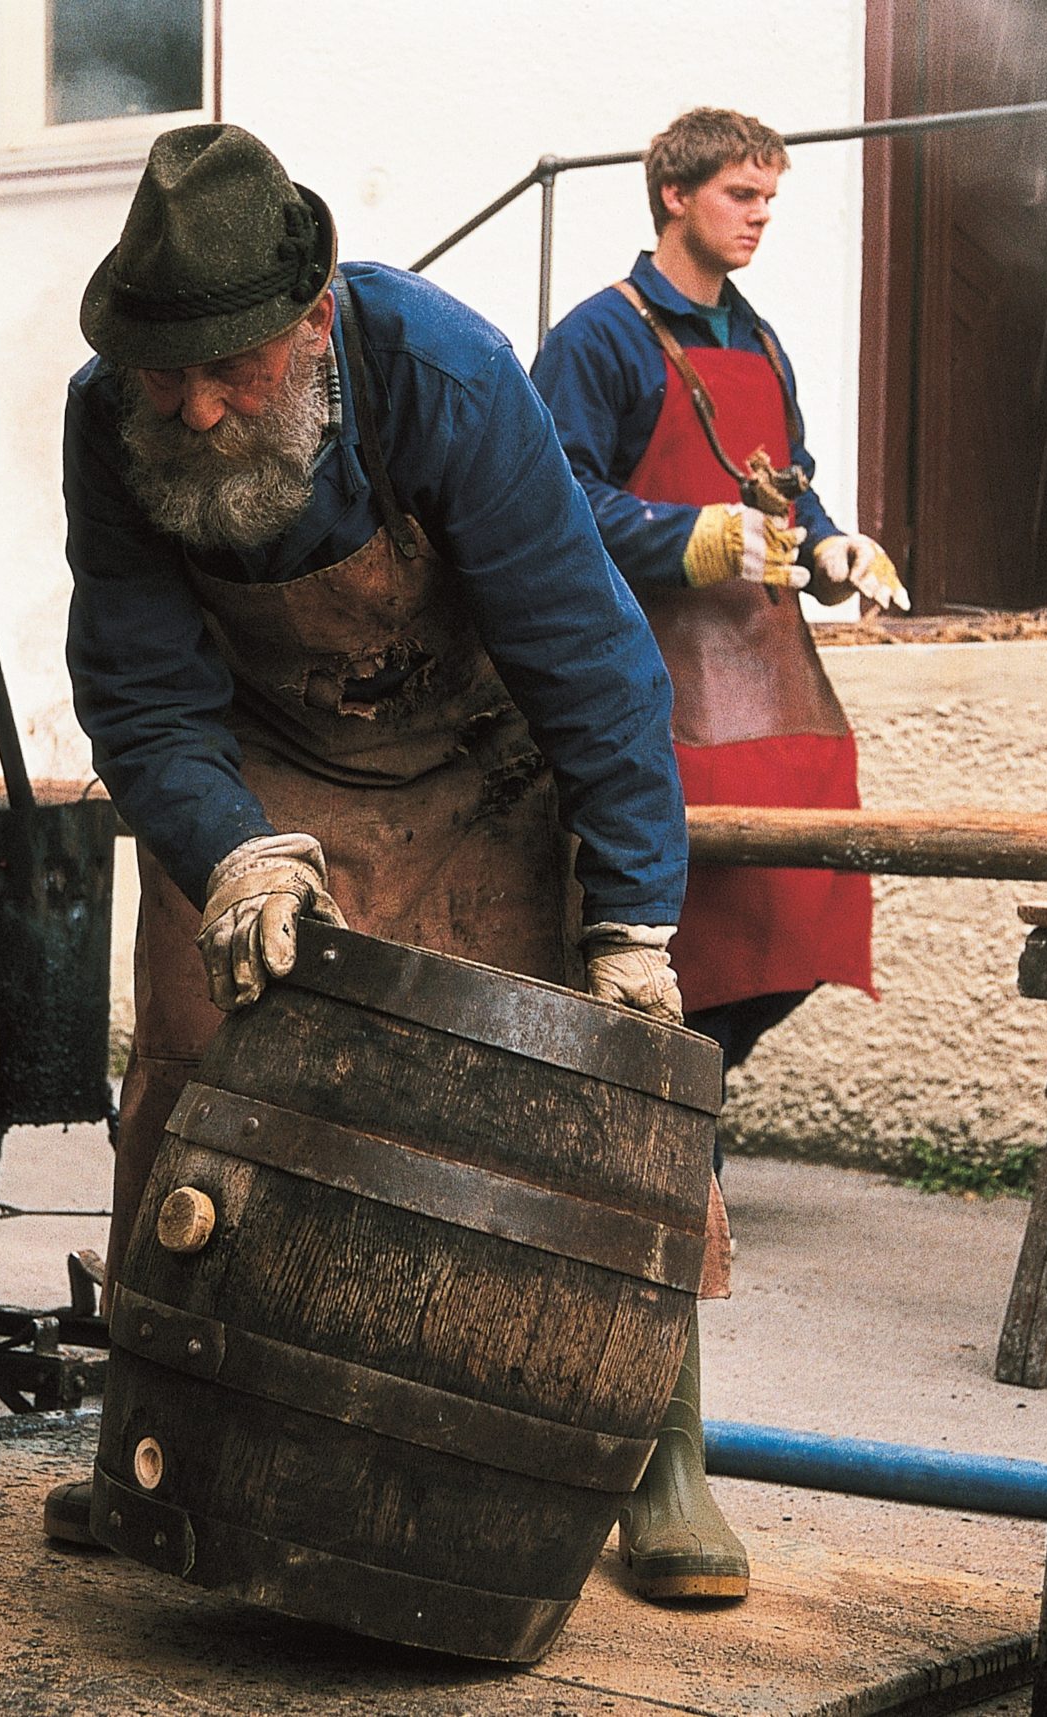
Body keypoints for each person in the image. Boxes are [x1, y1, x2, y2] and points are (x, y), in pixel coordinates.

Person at [51, 121, 748, 1602]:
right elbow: (138, 691)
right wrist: (230, 853)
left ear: (310, 321)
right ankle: (158, 1435)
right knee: (187, 1066)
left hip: (472, 759)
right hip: (253, 780)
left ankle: (657, 1464)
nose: (195, 408)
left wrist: (632, 920)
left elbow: (589, 658)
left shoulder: (445, 374)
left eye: (228, 369)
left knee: (582, 1102)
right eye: (163, 373)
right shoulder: (116, 422)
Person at [531, 107, 900, 1104]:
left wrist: (828, 544)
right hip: (647, 680)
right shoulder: (596, 337)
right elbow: (551, 506)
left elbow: (789, 478)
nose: (759, 217)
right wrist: (686, 536)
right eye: (741, 195)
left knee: (803, 909)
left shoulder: (762, 341)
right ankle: (666, 1114)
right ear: (674, 196)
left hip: (771, 684)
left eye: (770, 199)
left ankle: (687, 1090)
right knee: (675, 930)